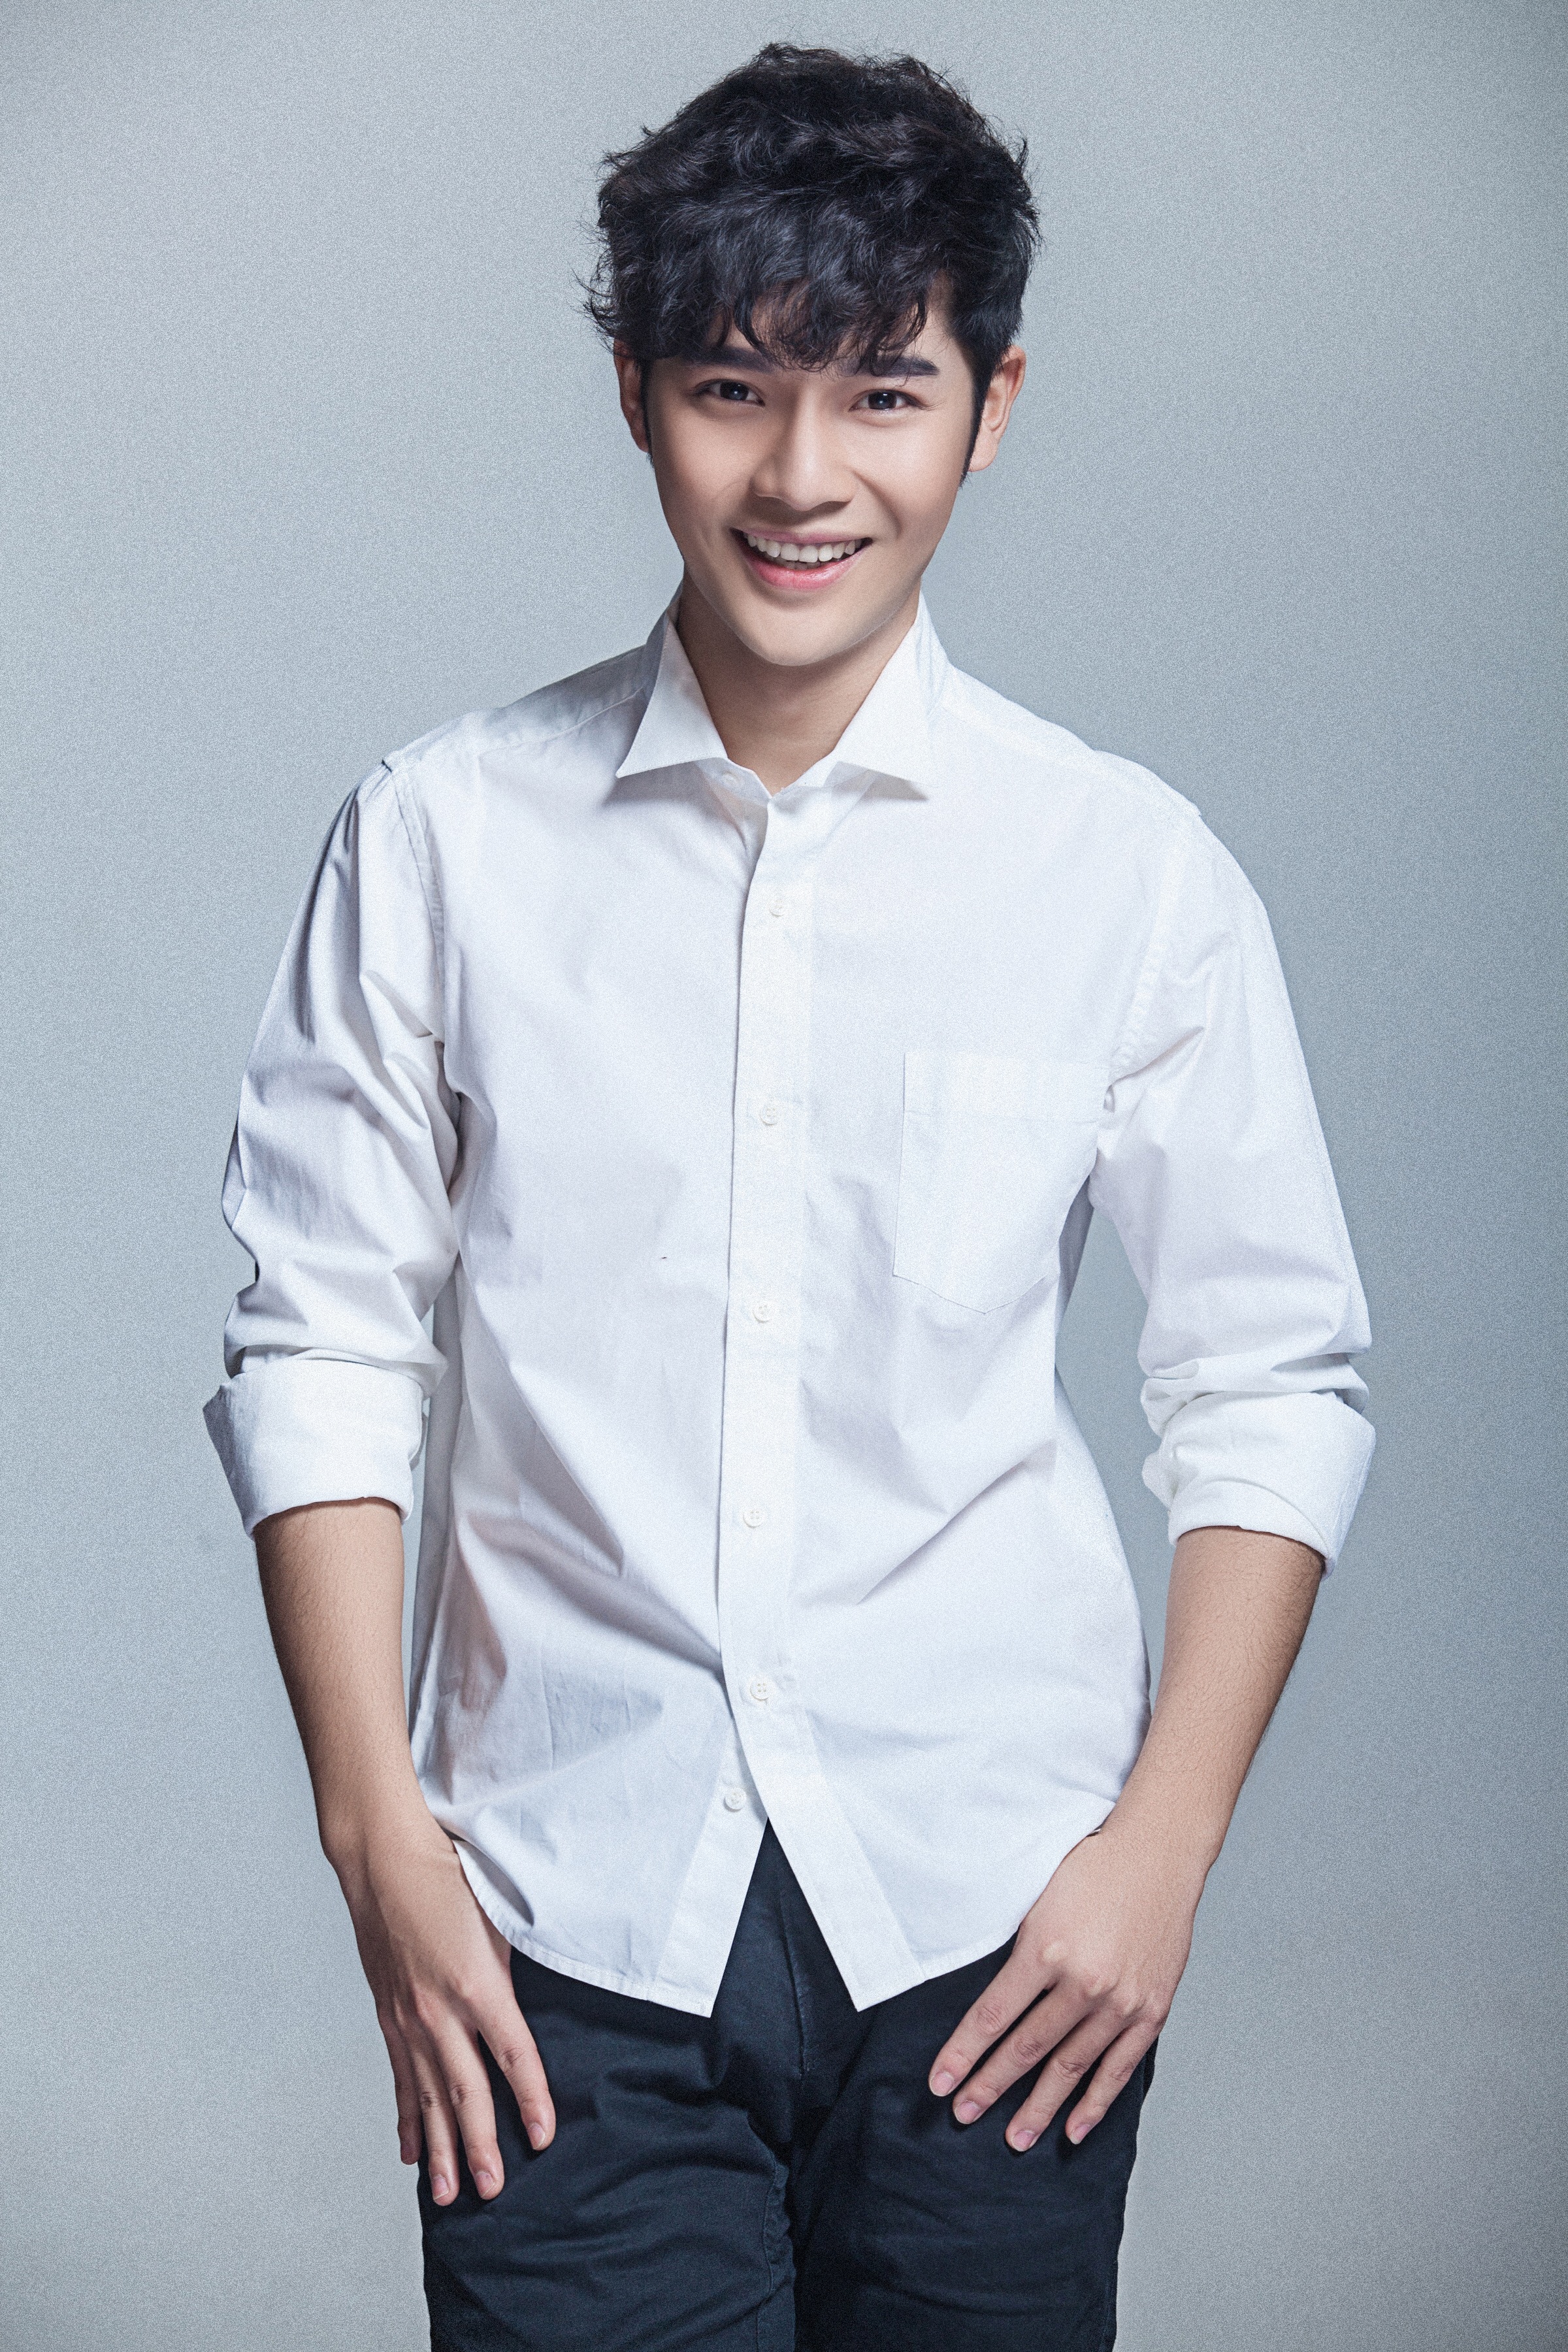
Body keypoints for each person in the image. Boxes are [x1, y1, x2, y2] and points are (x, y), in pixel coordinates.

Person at [204, 44, 1374, 2352]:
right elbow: (319, 1341)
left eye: (884, 393)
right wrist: (373, 1841)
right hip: (552, 1931)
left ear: (992, 407)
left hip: (1001, 1933)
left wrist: (1164, 1854)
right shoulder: (440, 841)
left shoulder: (1126, 874)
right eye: (734, 387)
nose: (804, 475)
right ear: (636, 395)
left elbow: (1272, 1380)